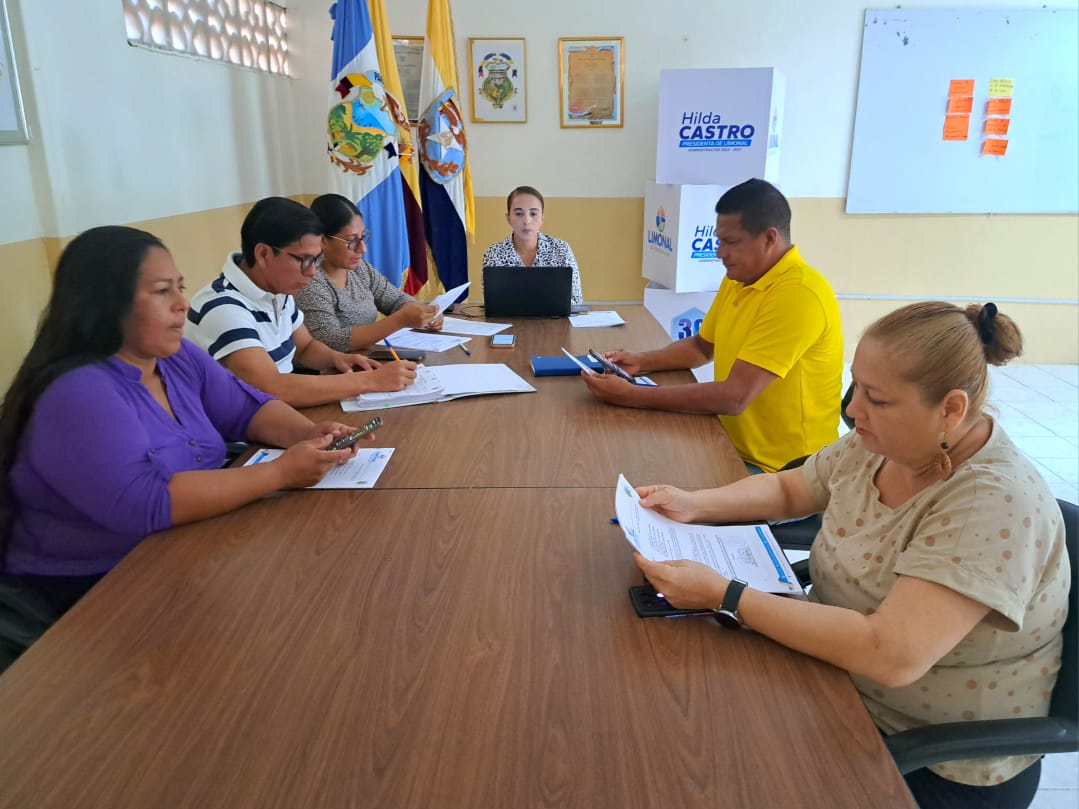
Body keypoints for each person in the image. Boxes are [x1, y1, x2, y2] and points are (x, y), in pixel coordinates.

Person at [632, 301, 1069, 809]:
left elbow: (891, 654)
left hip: (925, 758)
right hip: (831, 682)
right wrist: (693, 504)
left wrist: (726, 595)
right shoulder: (884, 442)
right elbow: (790, 489)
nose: (853, 409)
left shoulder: (990, 502)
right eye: (856, 385)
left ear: (951, 409)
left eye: (876, 398)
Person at [0, 226, 367, 671]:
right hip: (92, 591)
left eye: (180, 286)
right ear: (104, 302)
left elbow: (247, 408)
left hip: (184, 550)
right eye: (162, 291)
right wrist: (280, 472)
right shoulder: (79, 390)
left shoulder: (174, 357)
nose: (183, 303)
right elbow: (145, 503)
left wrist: (309, 434)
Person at [583, 178, 843, 474]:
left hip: (785, 470)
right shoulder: (740, 278)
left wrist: (633, 396)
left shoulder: (798, 294)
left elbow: (734, 397)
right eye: (719, 240)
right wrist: (642, 361)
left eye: (731, 242)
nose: (720, 253)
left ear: (769, 239)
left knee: (648, 473)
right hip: (729, 443)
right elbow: (701, 347)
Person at [185, 197, 417, 408]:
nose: (312, 272)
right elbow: (272, 388)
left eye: (316, 260)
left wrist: (339, 359)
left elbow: (306, 347)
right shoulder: (223, 308)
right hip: (238, 434)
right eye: (305, 260)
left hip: (278, 414)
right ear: (264, 254)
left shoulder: (277, 289)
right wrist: (370, 381)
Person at [297, 194, 443, 353]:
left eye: (363, 237)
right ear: (323, 241)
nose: (362, 249)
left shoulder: (359, 268)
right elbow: (330, 340)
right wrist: (400, 320)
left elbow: (396, 299)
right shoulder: (308, 280)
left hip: (368, 358)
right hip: (334, 367)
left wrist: (422, 314)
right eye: (351, 241)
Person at [481, 185, 584, 305]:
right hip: (509, 317)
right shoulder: (494, 253)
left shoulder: (561, 249)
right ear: (508, 218)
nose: (527, 221)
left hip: (555, 317)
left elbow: (576, 300)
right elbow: (493, 302)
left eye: (533, 214)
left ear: (542, 218)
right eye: (519, 213)